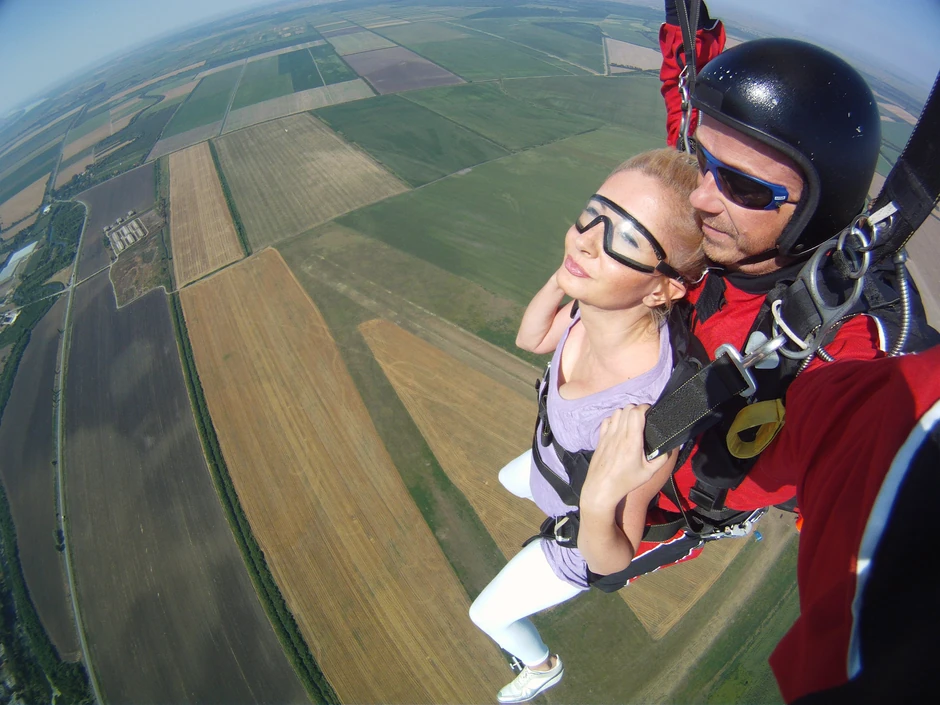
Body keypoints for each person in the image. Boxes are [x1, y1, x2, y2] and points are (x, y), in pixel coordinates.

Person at [578, 4, 940, 701]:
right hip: (613, 428)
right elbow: (686, 98)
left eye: (742, 185)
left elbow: (888, 430)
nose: (700, 198)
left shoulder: (837, 349)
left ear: (815, 208)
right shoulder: (724, 216)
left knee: (579, 564)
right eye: (703, 163)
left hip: (663, 509)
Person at [468, 148, 706, 704]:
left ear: (662, 288)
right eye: (591, 216)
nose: (586, 241)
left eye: (626, 241)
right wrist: (566, 278)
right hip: (562, 465)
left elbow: (612, 560)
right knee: (509, 478)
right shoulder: (593, 310)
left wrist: (598, 500)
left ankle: (541, 667)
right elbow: (531, 338)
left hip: (580, 538)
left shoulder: (647, 415)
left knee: (487, 614)